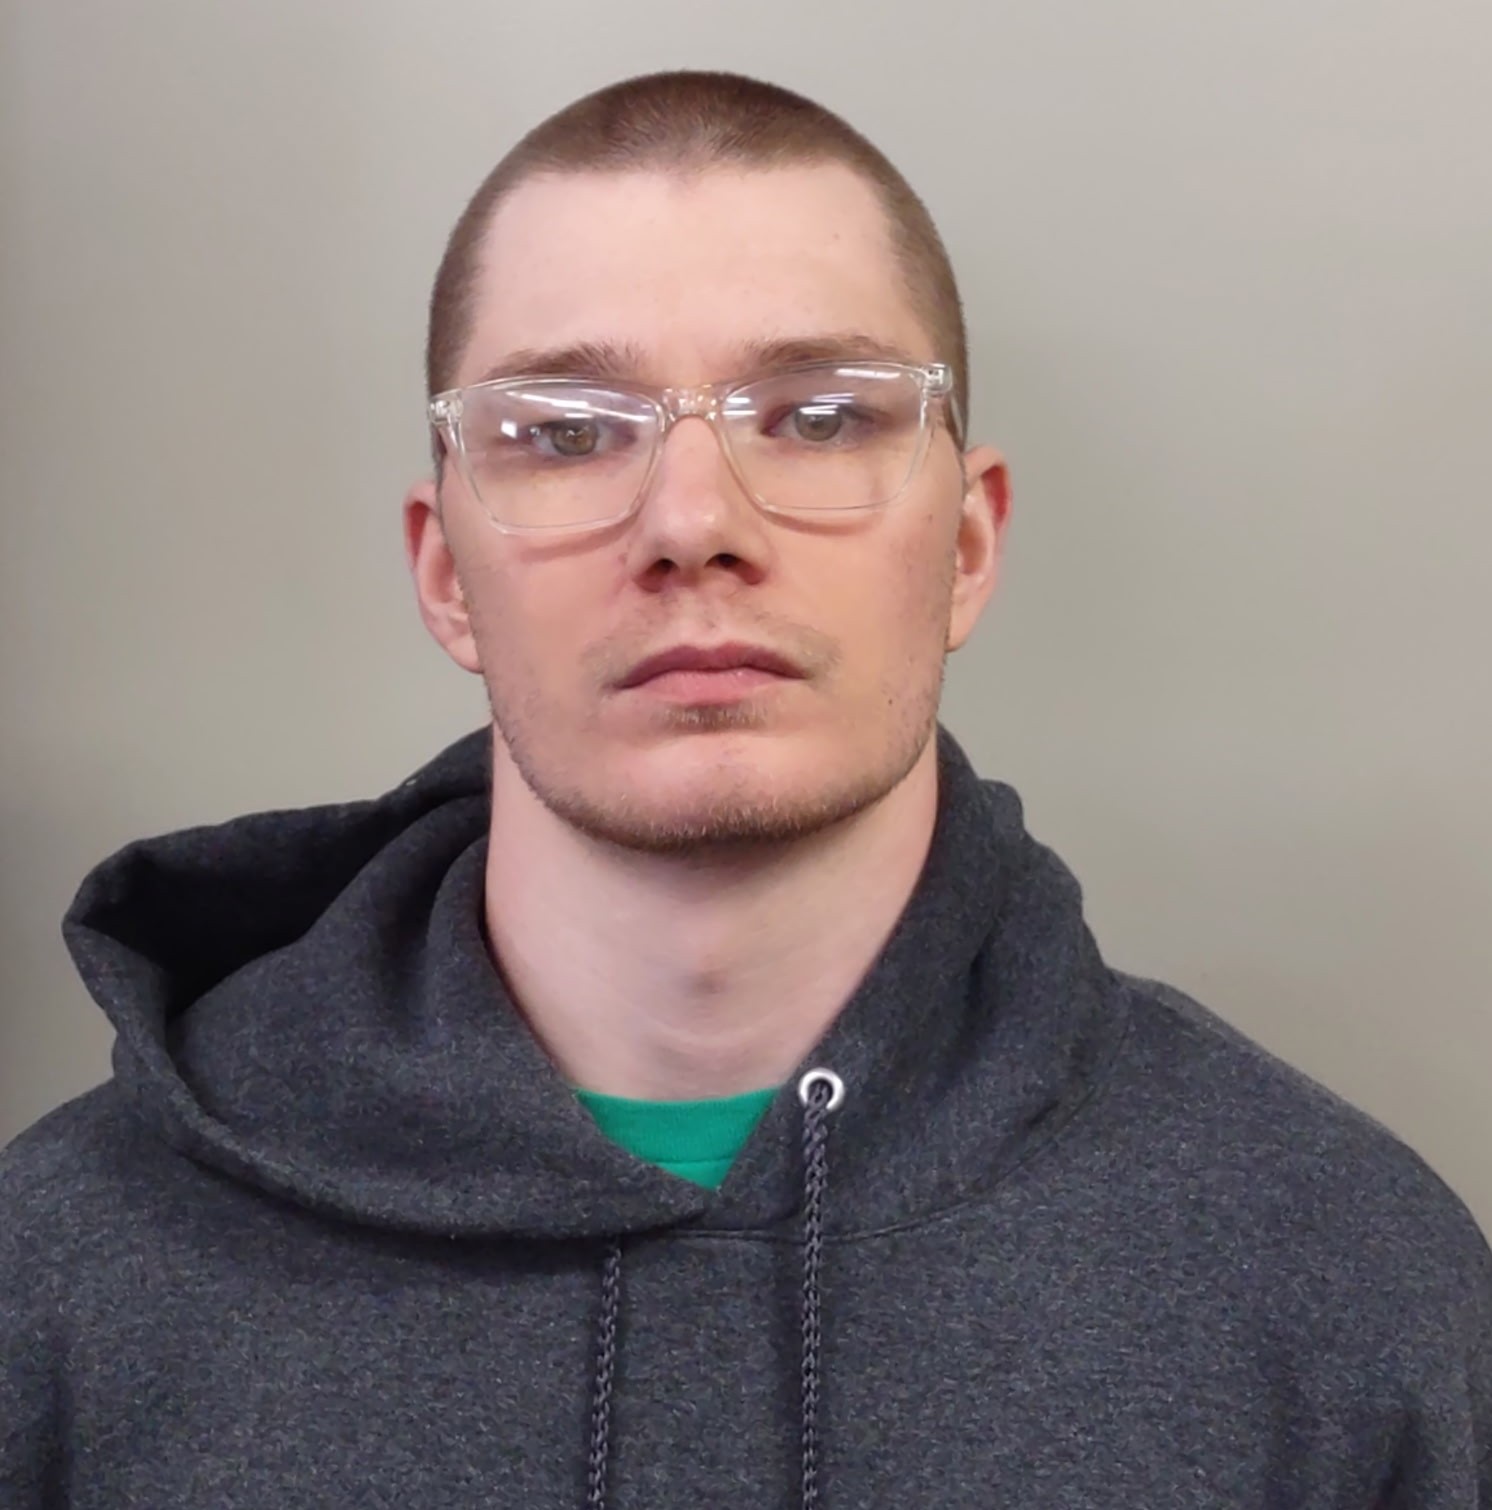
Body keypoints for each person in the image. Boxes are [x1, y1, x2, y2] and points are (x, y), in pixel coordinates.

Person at [2, 68, 1488, 1510]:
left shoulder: (1348, 1284)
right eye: (568, 432)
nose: (693, 521)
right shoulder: (57, 1283)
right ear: (447, 573)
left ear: (968, 548)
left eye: (820, 416)